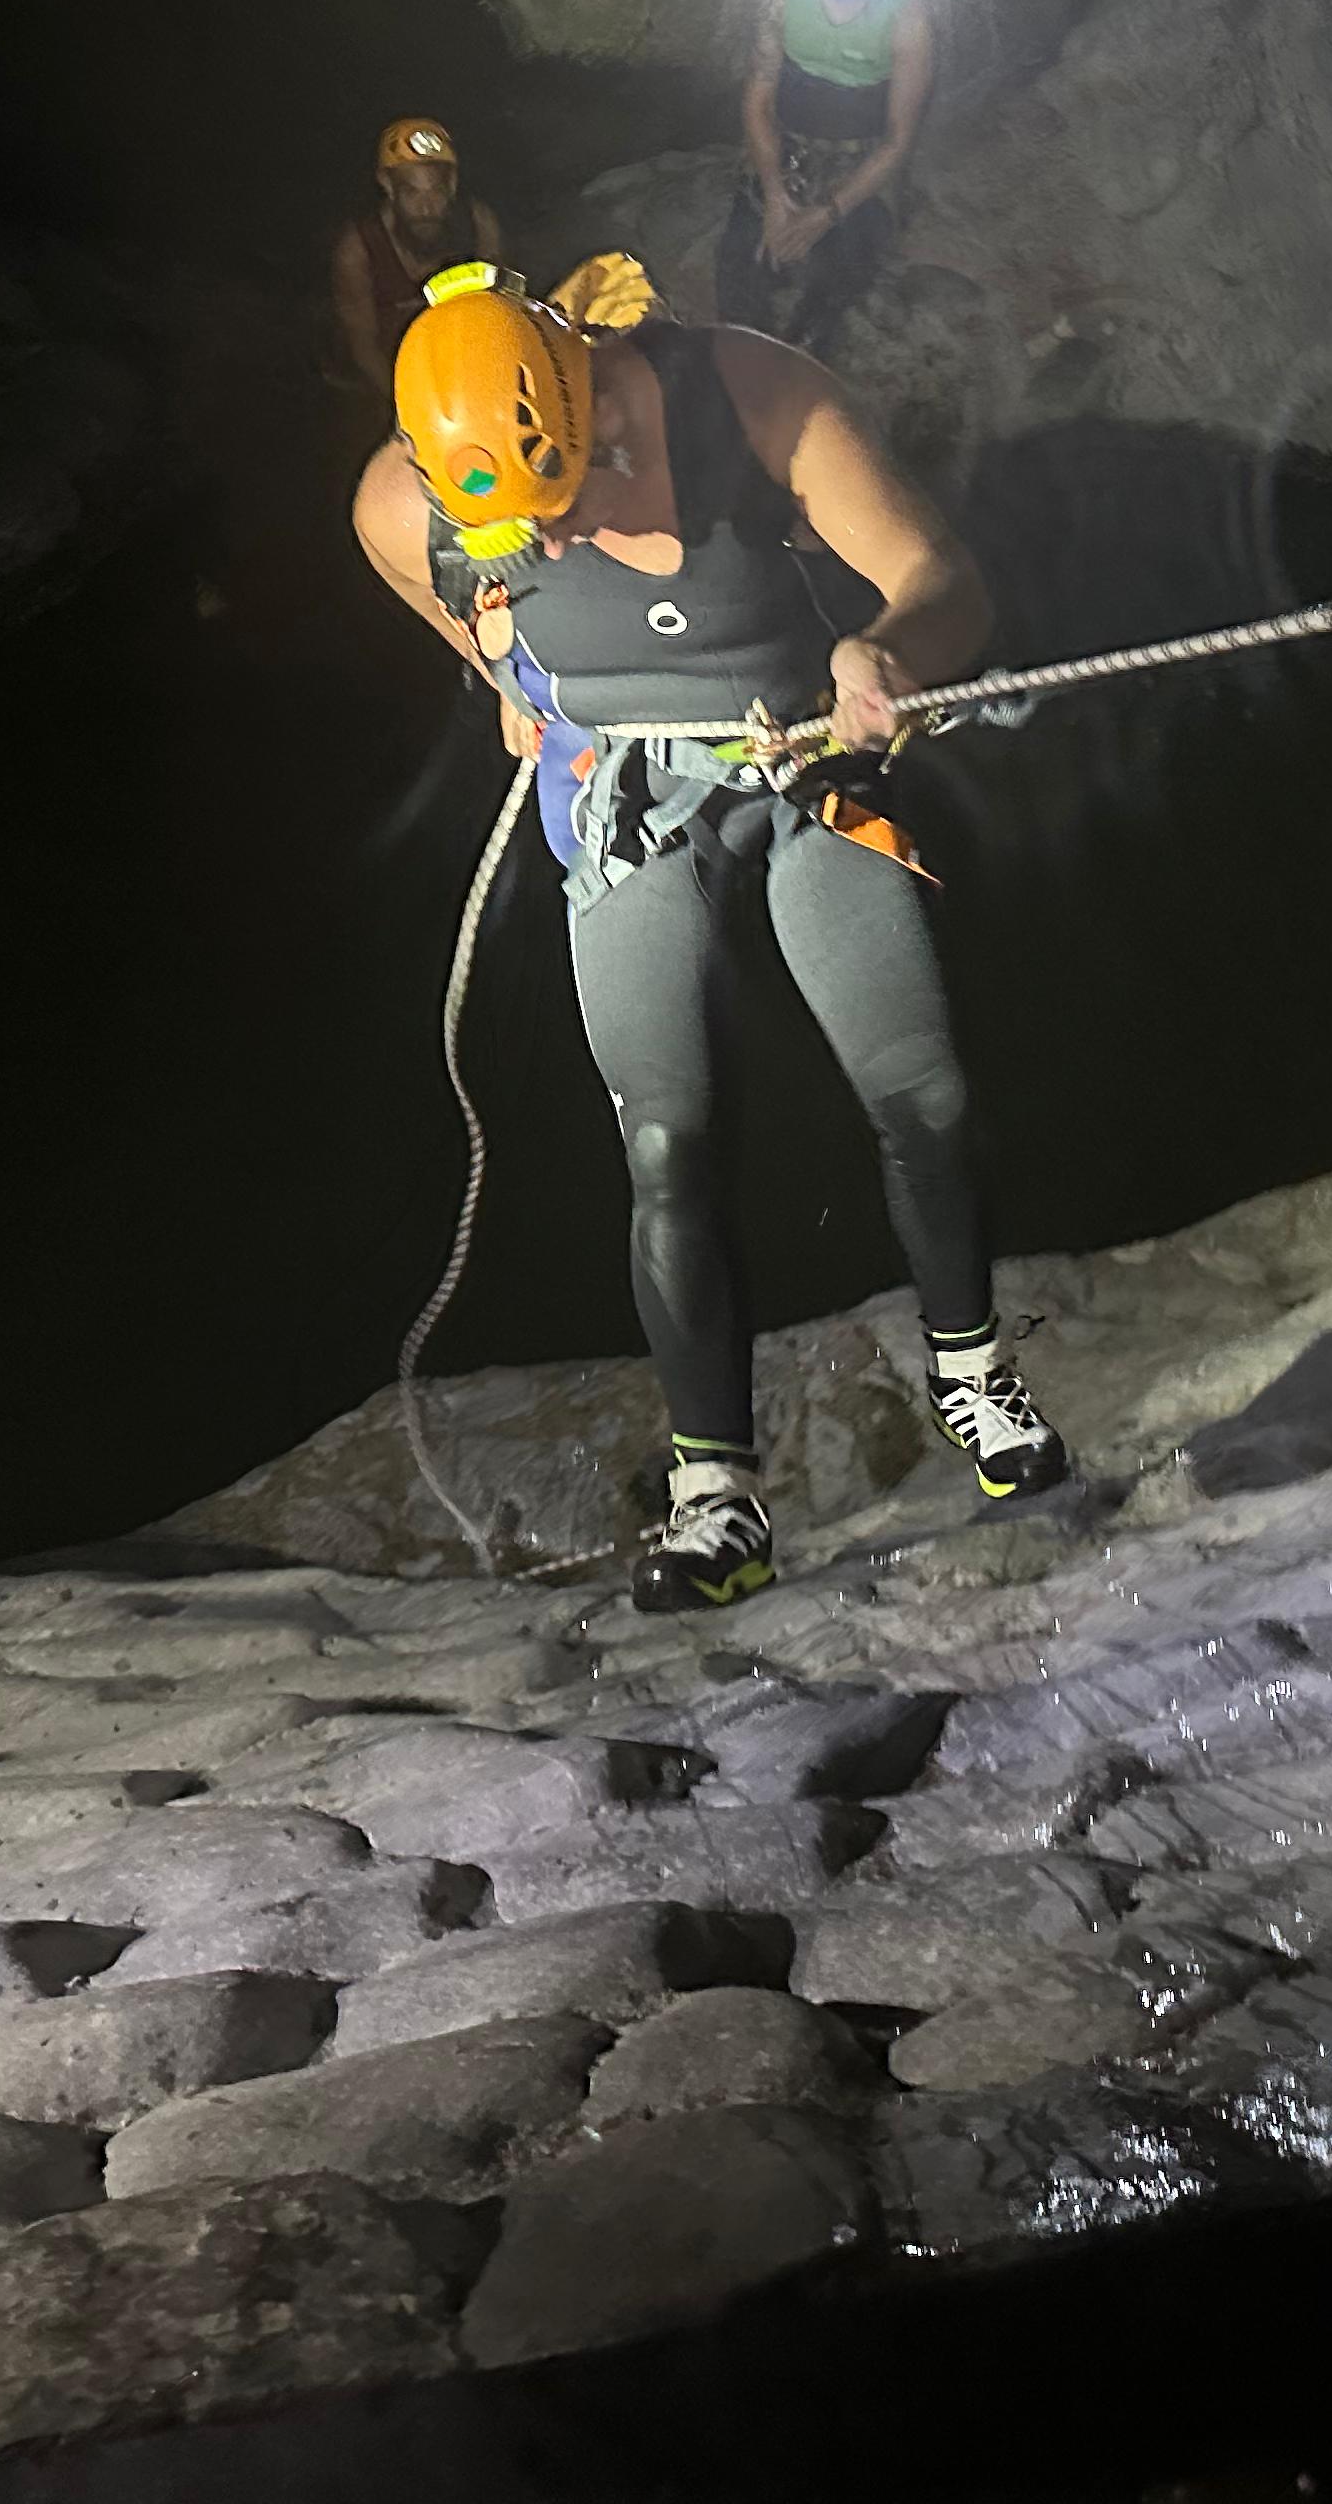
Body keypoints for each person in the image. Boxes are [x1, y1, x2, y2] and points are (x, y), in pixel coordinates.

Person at [351, 258, 1069, 1610]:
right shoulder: (403, 505)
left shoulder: (752, 395)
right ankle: (715, 1498)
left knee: (921, 1090)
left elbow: (944, 578)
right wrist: (519, 686)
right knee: (667, 1142)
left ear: (594, 414)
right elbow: (478, 638)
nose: (550, 548)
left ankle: (975, 1376)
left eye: (558, 510)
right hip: (632, 807)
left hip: (804, 770)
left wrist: (892, 657)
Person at [717, 0, 934, 352]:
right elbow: (759, 97)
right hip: (791, 147)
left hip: (860, 156)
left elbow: (897, 142)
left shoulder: (909, 14)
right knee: (743, 273)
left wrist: (824, 215)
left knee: (841, 287)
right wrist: (773, 196)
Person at [333, 116, 506, 392]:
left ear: (452, 186)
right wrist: (404, 400)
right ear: (388, 187)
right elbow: (362, 344)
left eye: (436, 192)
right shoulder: (359, 248)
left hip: (465, 373)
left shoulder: (479, 226)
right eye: (412, 193)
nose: (426, 209)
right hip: (389, 381)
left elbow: (502, 314)